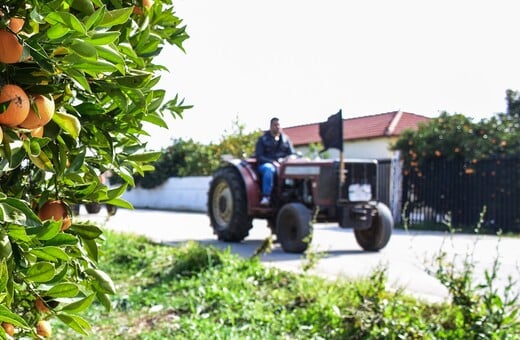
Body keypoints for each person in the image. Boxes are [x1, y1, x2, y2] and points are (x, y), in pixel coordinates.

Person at [255, 117, 295, 206]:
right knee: (269, 169)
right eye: (275, 125)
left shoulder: (286, 139)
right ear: (271, 126)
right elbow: (259, 156)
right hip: (265, 164)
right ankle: (266, 197)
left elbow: (292, 153)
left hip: (283, 164)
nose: (277, 127)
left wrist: (289, 158)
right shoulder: (263, 139)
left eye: (278, 125)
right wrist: (272, 162)